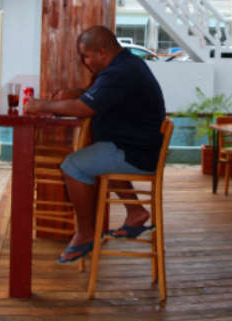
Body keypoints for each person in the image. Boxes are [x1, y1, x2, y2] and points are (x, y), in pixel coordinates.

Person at [26, 26, 165, 264]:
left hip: (135, 153)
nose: (85, 61)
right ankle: (135, 212)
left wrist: (41, 106)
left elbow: (85, 108)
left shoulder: (119, 72)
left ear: (102, 52)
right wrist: (76, 93)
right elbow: (100, 96)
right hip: (138, 146)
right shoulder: (126, 64)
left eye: (87, 56)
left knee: (73, 166)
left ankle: (86, 234)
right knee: (99, 154)